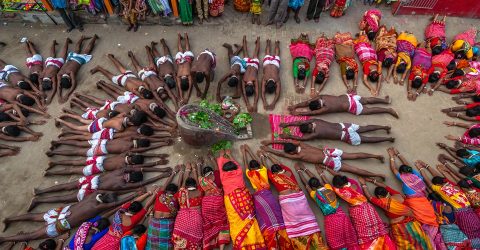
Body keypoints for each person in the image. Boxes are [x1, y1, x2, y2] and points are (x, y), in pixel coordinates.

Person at [0, 191, 137, 243]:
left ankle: (9, 219)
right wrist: (134, 194)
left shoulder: (94, 195)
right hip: (63, 224)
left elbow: (109, 193)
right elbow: (118, 203)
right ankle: (4, 239)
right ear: (108, 202)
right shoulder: (98, 208)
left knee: (34, 217)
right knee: (33, 236)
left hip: (62, 212)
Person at [262, 153, 327, 249]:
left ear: (274, 173)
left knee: (295, 227)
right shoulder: (289, 171)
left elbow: (265, 168)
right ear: (281, 169)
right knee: (310, 223)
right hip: (300, 198)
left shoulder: (273, 176)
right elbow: (278, 162)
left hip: (287, 202)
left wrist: (262, 157)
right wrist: (269, 155)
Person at [29, 168, 171, 210]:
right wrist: (163, 174)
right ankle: (40, 200)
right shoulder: (123, 185)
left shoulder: (120, 171)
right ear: (132, 180)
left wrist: (158, 166)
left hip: (92, 180)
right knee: (64, 198)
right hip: (92, 191)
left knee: (66, 186)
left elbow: (135, 168)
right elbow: (145, 182)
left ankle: (41, 191)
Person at [386, 147, 443, 248]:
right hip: (424, 201)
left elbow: (393, 169)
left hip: (415, 204)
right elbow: (409, 166)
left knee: (422, 220)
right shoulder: (417, 176)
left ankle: (429, 237)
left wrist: (391, 156)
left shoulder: (403, 179)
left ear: (402, 173)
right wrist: (398, 154)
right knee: (429, 218)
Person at [416, 160, 480, 248]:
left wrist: (421, 168)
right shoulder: (456, 188)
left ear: (438, 184)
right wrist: (424, 166)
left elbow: (428, 181)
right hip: (468, 213)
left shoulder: (443, 190)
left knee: (470, 233)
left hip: (466, 214)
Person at [295, 164, 359, 250]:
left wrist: (299, 171)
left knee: (336, 240)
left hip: (331, 219)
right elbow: (321, 181)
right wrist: (306, 169)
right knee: (348, 237)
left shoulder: (315, 195)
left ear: (313, 187)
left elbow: (306, 185)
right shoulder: (329, 187)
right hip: (342, 216)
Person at [359, 177, 434, 249]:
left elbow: (369, 197)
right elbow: (385, 186)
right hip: (412, 223)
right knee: (421, 241)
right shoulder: (397, 195)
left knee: (405, 246)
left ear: (379, 196)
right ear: (387, 192)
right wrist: (372, 181)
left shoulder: (383, 202)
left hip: (399, 228)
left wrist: (363, 184)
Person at [329, 171, 395, 249]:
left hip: (358, 211)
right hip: (368, 208)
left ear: (337, 185)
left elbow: (331, 189)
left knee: (364, 232)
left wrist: (323, 173)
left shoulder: (341, 192)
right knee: (377, 228)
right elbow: (340, 178)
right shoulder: (353, 183)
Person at [242, 146, 291, 249]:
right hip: (268, 195)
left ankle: (272, 241)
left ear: (250, 169)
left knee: (263, 216)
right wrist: (250, 150)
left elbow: (245, 165)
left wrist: (243, 152)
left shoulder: (250, 173)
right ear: (259, 166)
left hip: (259, 197)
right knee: (276, 212)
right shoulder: (263, 170)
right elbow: (258, 161)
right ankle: (282, 237)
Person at [216, 148, 266, 249]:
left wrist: (221, 156)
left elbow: (220, 166)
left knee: (235, 221)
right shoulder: (238, 172)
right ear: (235, 168)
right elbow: (237, 164)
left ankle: (242, 244)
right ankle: (255, 241)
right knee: (249, 219)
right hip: (244, 197)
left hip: (231, 200)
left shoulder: (223, 176)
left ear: (224, 170)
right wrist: (229, 155)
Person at [261, 140, 386, 179]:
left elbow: (282, 154)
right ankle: (375, 156)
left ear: (292, 152)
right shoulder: (301, 145)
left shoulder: (298, 156)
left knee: (354, 169)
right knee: (354, 155)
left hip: (328, 162)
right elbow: (286, 142)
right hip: (329, 152)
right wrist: (272, 141)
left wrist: (268, 148)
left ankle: (378, 174)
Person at [197, 154, 230, 250]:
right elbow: (217, 167)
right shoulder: (217, 175)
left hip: (206, 203)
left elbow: (198, 175)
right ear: (212, 172)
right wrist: (211, 158)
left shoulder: (202, 180)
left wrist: (199, 165)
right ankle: (221, 247)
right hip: (217, 201)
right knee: (221, 222)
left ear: (204, 175)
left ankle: (209, 244)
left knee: (208, 224)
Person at [278, 118, 393, 145]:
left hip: (344, 136)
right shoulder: (315, 121)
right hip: (345, 126)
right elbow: (299, 123)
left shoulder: (315, 134)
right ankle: (385, 127)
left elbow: (301, 138)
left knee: (367, 139)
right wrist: (287, 124)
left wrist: (288, 135)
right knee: (365, 128)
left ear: (308, 131)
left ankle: (388, 139)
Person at [44, 152, 168, 176]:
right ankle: (53, 168)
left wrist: (157, 158)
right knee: (73, 168)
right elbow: (143, 167)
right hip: (99, 165)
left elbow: (142, 158)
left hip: (99, 161)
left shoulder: (124, 155)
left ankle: (54, 165)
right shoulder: (125, 166)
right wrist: (157, 161)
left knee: (74, 163)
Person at [57, 35, 98, 103]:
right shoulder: (60, 74)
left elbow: (74, 84)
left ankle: (94, 38)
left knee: (87, 51)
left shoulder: (70, 73)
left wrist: (67, 94)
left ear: (69, 79)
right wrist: (59, 97)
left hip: (78, 60)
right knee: (77, 50)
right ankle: (82, 39)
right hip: (71, 59)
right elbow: (59, 86)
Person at [147, 165, 180, 249]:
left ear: (165, 191)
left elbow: (165, 184)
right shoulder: (175, 198)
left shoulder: (160, 195)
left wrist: (174, 173)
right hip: (165, 223)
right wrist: (182, 172)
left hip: (155, 222)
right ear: (175, 192)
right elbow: (180, 186)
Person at [172, 163, 204, 249]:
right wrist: (194, 170)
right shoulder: (200, 192)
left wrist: (187, 170)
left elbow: (182, 185)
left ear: (186, 186)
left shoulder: (182, 192)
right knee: (194, 244)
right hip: (196, 220)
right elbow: (199, 184)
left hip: (182, 221)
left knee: (179, 244)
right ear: (195, 186)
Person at [288, 94, 398, 118]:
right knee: (368, 100)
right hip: (350, 97)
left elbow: (312, 113)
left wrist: (298, 112)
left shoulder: (326, 109)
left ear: (318, 107)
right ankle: (385, 101)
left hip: (352, 107)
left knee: (370, 110)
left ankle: (388, 110)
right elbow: (307, 102)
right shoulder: (322, 96)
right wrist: (295, 106)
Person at [46, 138, 171, 157]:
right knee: (78, 152)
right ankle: (57, 152)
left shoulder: (130, 138)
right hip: (102, 149)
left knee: (79, 143)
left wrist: (162, 140)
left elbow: (148, 142)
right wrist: (162, 144)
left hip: (103, 142)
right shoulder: (131, 150)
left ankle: (59, 142)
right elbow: (147, 151)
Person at [40, 38, 71, 104]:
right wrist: (43, 98)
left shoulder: (52, 77)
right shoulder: (41, 76)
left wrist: (50, 98)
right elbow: (40, 87)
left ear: (50, 81)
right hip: (49, 63)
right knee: (52, 54)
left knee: (64, 53)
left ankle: (67, 41)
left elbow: (55, 89)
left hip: (57, 64)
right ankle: (54, 43)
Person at [354, 31, 382, 96]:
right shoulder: (367, 68)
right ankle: (361, 35)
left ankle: (362, 35)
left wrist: (375, 90)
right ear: (369, 74)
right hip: (365, 55)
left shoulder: (378, 69)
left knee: (366, 45)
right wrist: (372, 89)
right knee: (359, 45)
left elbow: (379, 80)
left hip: (371, 54)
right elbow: (365, 80)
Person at [261, 40, 281, 110]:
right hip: (267, 63)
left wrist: (265, 102)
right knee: (267, 53)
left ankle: (273, 43)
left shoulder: (276, 79)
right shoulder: (265, 79)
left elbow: (262, 92)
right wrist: (273, 103)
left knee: (276, 55)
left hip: (275, 64)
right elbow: (278, 93)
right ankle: (272, 42)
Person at [242, 36, 260, 113]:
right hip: (246, 63)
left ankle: (258, 40)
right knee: (245, 51)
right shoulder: (244, 80)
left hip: (254, 64)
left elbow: (256, 92)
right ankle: (244, 40)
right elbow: (244, 92)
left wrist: (249, 105)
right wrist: (252, 104)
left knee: (256, 52)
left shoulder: (254, 80)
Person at [175, 33, 194, 105]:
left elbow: (180, 87)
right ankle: (180, 37)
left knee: (187, 49)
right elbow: (180, 86)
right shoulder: (179, 76)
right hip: (179, 59)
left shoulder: (188, 75)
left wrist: (183, 98)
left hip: (187, 59)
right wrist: (184, 98)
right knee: (180, 50)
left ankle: (185, 36)